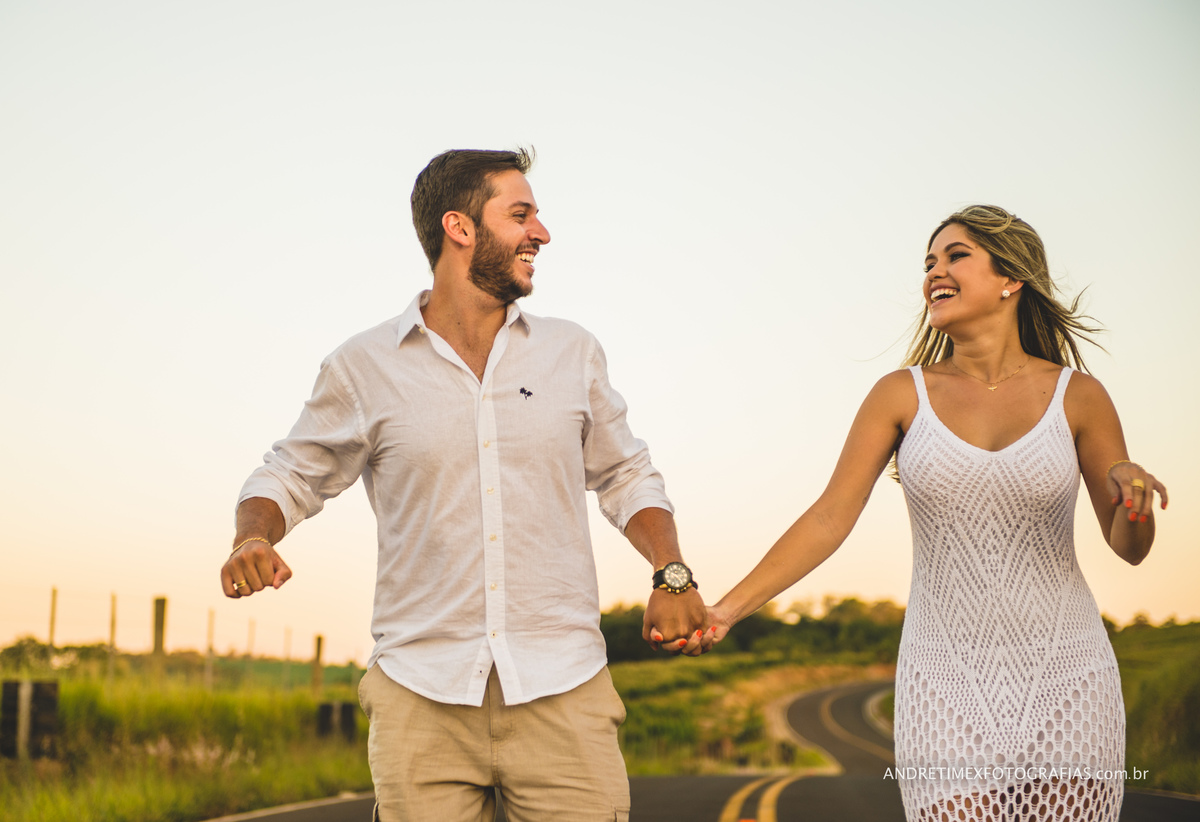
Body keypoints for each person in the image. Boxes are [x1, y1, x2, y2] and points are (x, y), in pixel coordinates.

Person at [220, 148, 707, 822]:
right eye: (521, 215)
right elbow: (287, 473)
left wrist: (671, 575)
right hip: (420, 697)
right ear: (460, 227)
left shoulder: (572, 352)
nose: (541, 233)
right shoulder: (363, 366)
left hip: (563, 689)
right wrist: (252, 537)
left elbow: (627, 474)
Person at [700, 205, 1167, 821]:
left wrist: (1134, 500)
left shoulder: (1078, 395)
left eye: (956, 256)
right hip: (942, 681)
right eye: (929, 262)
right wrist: (726, 611)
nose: (934, 272)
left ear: (1011, 278)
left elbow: (1129, 547)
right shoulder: (901, 393)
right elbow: (829, 517)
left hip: (1069, 675)